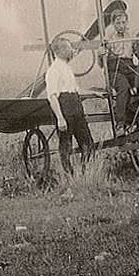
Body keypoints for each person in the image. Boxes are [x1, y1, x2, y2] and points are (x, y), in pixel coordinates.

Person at [98, 5, 139, 130]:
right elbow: (101, 63)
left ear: (127, 22)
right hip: (115, 69)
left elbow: (138, 52)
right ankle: (120, 123)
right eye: (118, 23)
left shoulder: (131, 36)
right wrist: (102, 54)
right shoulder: (108, 38)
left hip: (129, 66)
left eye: (123, 22)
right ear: (113, 24)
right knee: (123, 87)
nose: (121, 25)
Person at [44, 35, 95, 175]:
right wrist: (60, 118)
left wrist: (94, 93)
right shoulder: (53, 71)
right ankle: (69, 176)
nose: (72, 50)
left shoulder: (67, 68)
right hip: (64, 108)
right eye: (68, 47)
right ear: (59, 51)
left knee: (88, 143)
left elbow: (74, 89)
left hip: (76, 106)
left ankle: (86, 174)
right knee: (66, 144)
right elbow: (52, 96)